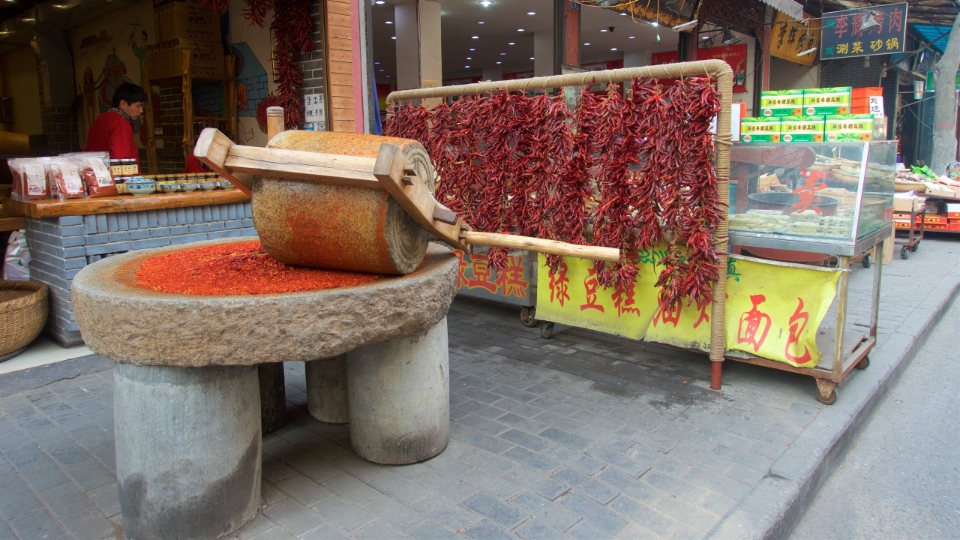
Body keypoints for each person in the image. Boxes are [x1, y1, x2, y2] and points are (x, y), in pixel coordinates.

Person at [84, 83, 147, 163]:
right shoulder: (119, 122)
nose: (141, 110)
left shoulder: (101, 119)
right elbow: (121, 158)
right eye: (138, 106)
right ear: (123, 104)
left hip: (97, 168)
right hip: (115, 170)